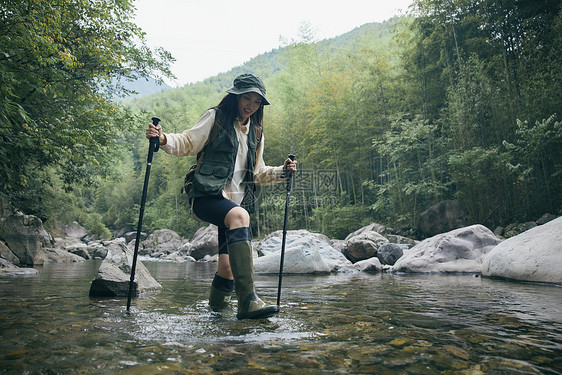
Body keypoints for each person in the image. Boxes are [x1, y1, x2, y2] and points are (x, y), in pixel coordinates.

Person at [145, 73, 297, 320]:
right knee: (240, 215)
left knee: (226, 269)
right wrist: (162, 139)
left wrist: (282, 171)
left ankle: (216, 318)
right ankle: (248, 301)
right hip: (206, 195)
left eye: (257, 102)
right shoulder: (216, 117)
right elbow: (187, 141)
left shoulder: (256, 132)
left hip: (233, 207)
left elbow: (257, 173)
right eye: (246, 98)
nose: (251, 105)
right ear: (235, 96)